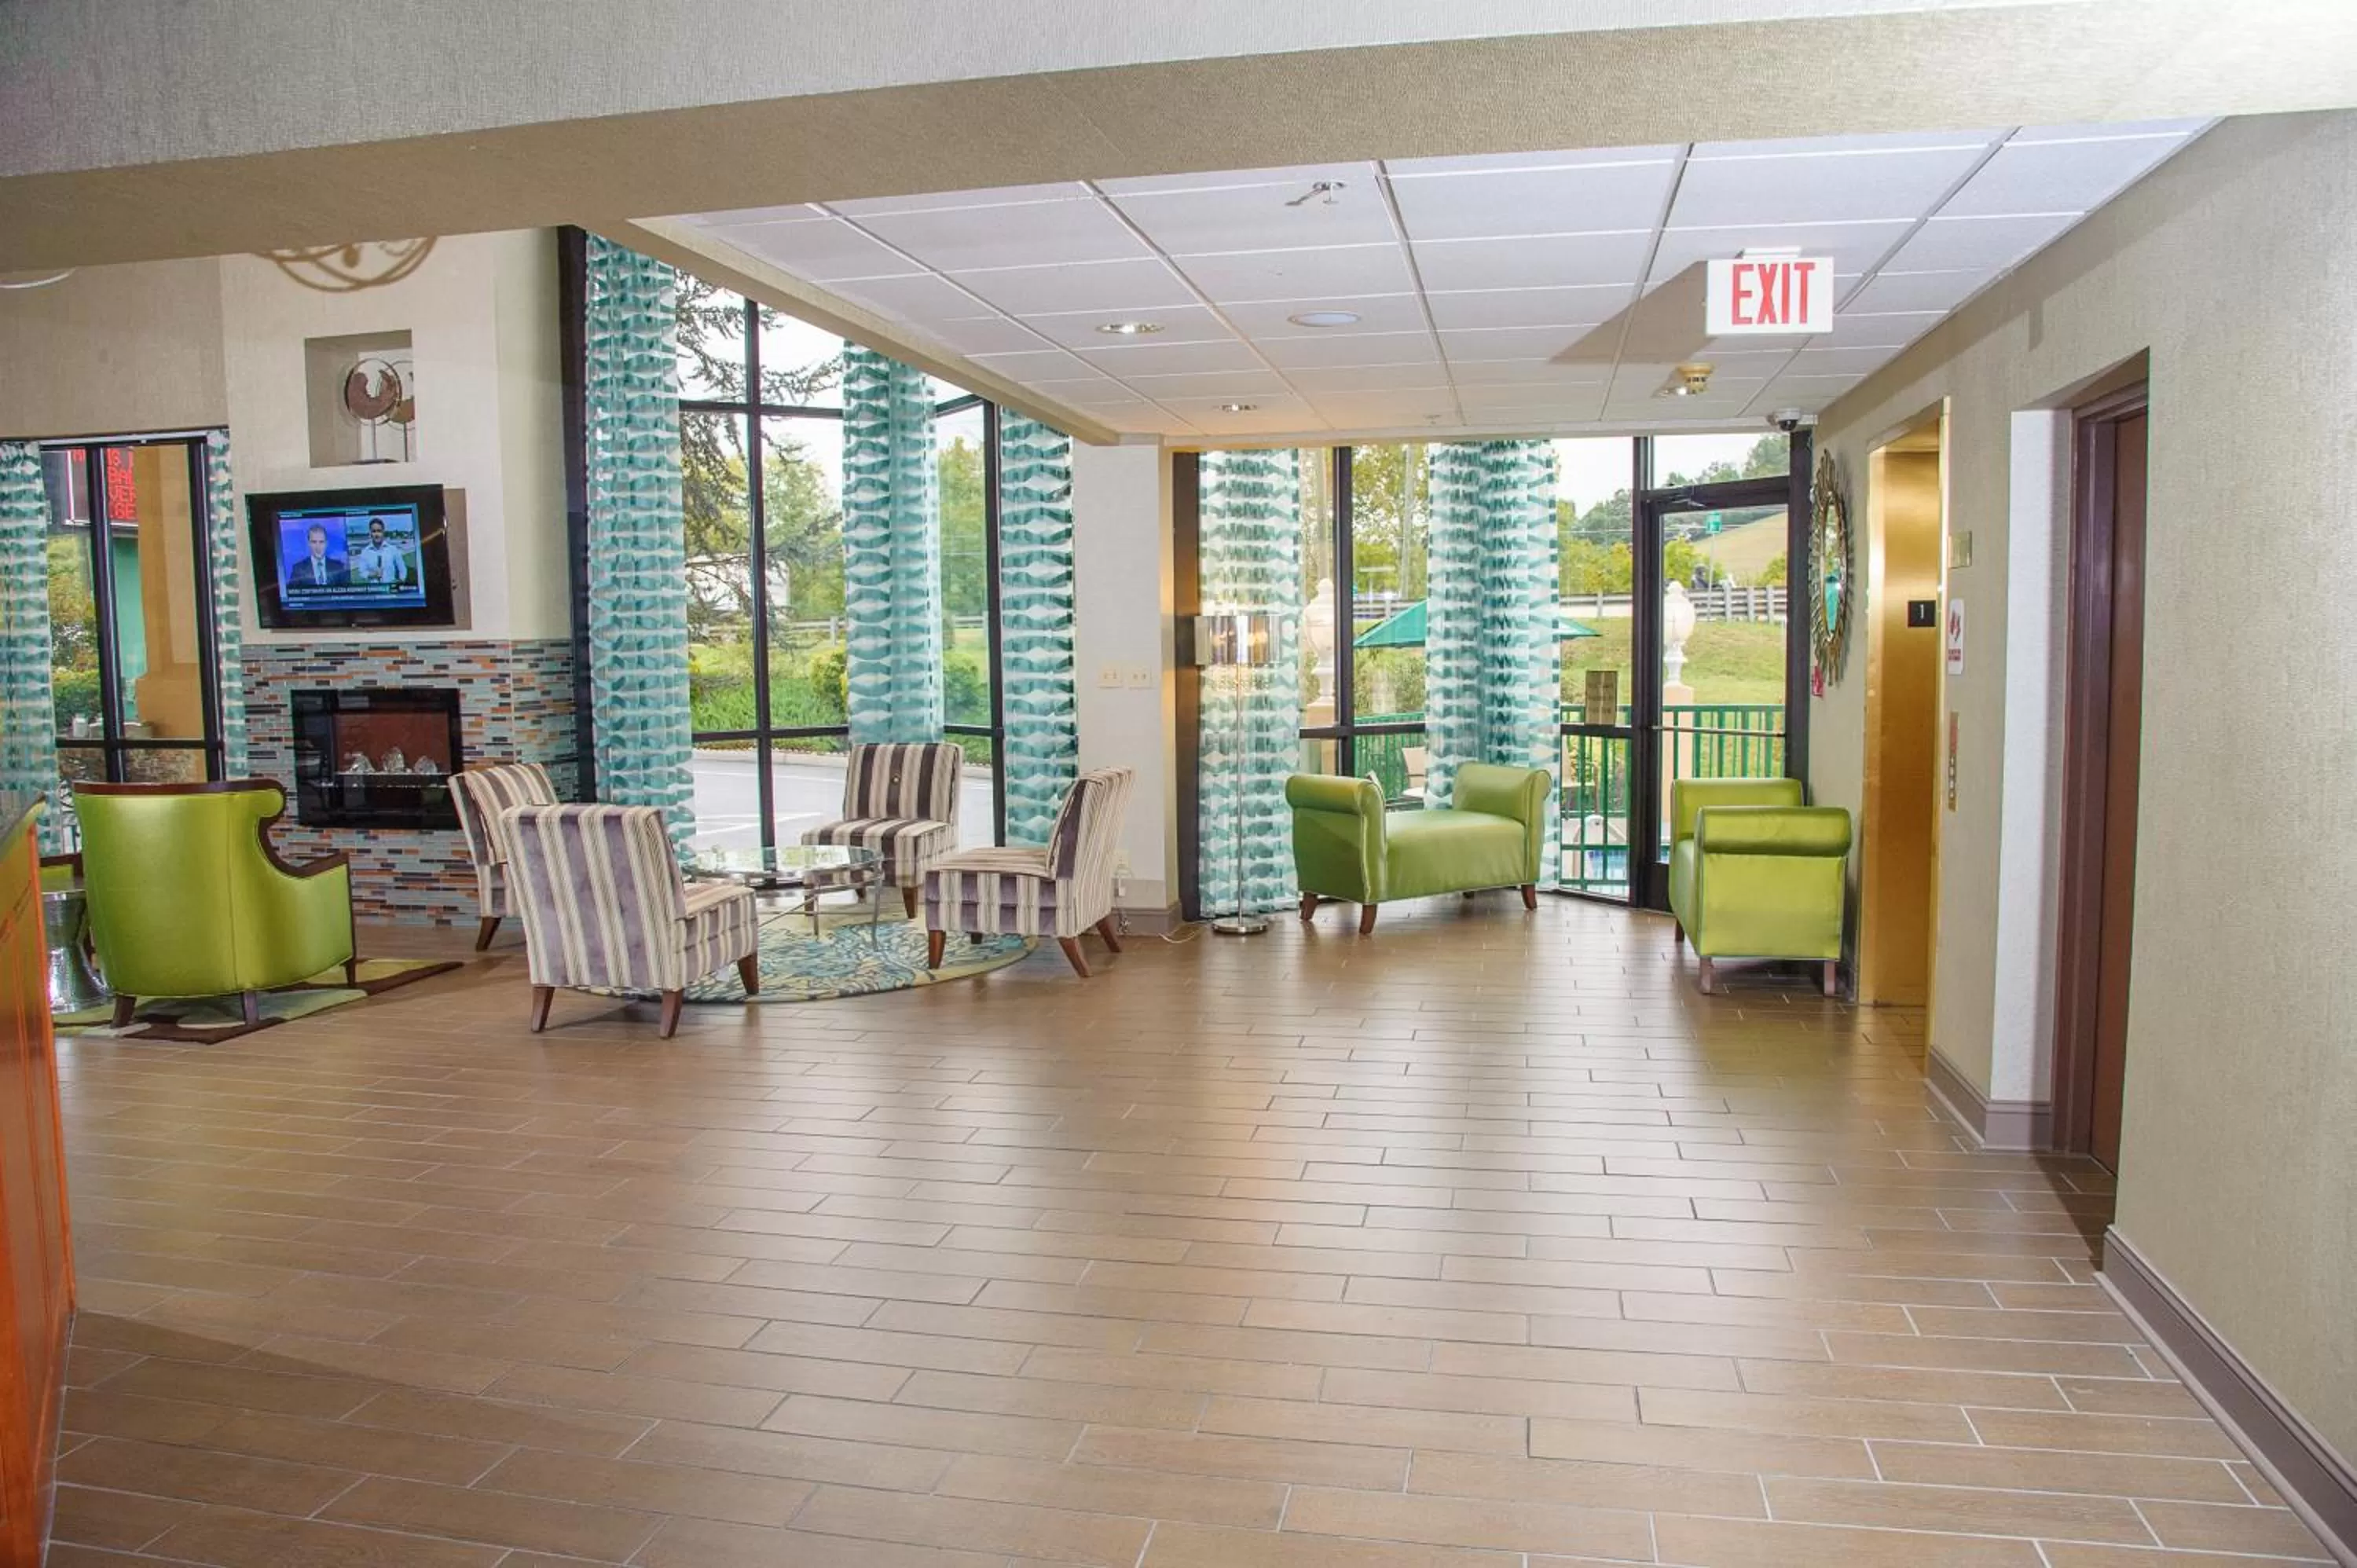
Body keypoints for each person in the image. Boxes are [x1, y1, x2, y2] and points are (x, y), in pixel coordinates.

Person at [350, 515, 411, 586]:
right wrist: (373, 574)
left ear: (383, 532)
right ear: (370, 533)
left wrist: (400, 583)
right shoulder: (365, 552)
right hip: (374, 592)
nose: (376, 534)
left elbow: (402, 570)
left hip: (391, 592)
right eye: (374, 531)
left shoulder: (393, 550)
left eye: (379, 531)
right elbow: (362, 573)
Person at [290, 522, 347, 588]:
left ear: (326, 544)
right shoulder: (298, 569)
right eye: (314, 542)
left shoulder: (339, 567)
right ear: (309, 543)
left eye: (321, 542)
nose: (318, 547)